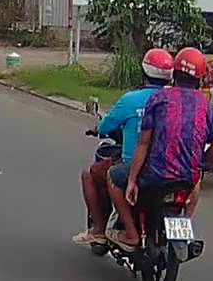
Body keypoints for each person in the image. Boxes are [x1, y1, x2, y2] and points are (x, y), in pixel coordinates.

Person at [106, 47, 213, 251]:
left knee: (113, 177)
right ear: (200, 78)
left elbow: (144, 143)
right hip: (188, 177)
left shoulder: (159, 99)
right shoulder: (207, 106)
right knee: (196, 185)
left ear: (175, 74)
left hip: (155, 174)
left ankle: (131, 234)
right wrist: (203, 165)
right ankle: (184, 223)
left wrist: (132, 181)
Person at [71, 48, 173, 245]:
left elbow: (106, 126)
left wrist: (97, 128)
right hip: (169, 166)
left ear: (144, 73)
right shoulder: (174, 101)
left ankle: (99, 230)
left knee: (90, 175)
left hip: (135, 167)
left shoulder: (130, 100)